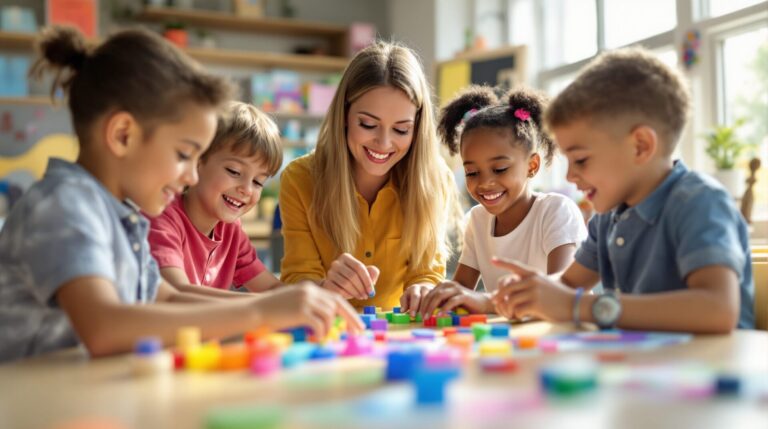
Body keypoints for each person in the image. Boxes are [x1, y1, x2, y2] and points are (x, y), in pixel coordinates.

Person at [0, 27, 361, 362]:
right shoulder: (66, 203)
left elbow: (169, 297)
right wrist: (260, 311)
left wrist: (284, 302)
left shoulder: (123, 216)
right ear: (123, 134)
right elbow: (104, 327)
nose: (191, 174)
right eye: (184, 154)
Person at [492, 47, 754, 333]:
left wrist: (578, 307)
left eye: (581, 160)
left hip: (718, 366)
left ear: (640, 146)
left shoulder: (699, 202)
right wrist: (520, 294)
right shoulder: (609, 214)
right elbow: (567, 286)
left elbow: (718, 310)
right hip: (649, 366)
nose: (570, 175)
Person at [279, 41, 461, 310]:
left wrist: (424, 289)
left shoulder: (435, 180)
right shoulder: (300, 179)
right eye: (367, 124)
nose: (383, 143)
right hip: (326, 330)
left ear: (417, 128)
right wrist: (324, 286)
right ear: (344, 115)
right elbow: (297, 279)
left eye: (401, 130)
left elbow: (427, 272)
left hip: (399, 335)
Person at [415, 86, 586, 318]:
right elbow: (462, 291)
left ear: (532, 166)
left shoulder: (556, 211)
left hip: (563, 336)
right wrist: (436, 297)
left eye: (499, 169)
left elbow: (562, 290)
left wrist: (486, 301)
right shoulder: (477, 220)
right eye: (472, 173)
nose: (485, 182)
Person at [149, 101, 284, 292]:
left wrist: (322, 293)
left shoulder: (231, 230)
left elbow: (271, 288)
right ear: (198, 161)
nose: (246, 189)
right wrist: (265, 306)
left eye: (258, 182)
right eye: (234, 171)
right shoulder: (163, 216)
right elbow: (180, 293)